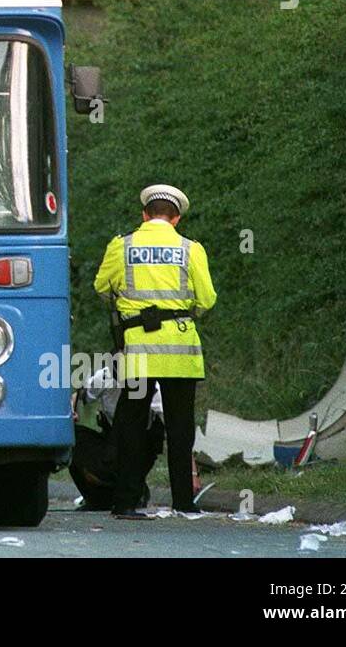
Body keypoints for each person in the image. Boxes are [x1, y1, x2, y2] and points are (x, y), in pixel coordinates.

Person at [92, 184, 216, 517]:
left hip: (139, 348)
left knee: (132, 424)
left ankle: (125, 502)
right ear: (175, 218)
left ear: (145, 215)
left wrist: (127, 305)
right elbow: (206, 300)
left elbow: (102, 288)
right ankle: (183, 504)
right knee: (180, 427)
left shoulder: (123, 246)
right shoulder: (191, 249)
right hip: (181, 347)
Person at [69, 366, 165, 510]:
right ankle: (98, 499)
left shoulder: (150, 385)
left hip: (141, 445)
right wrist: (71, 409)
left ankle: (135, 491)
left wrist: (192, 472)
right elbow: (80, 394)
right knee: (73, 438)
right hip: (113, 443)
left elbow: (170, 425)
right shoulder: (105, 377)